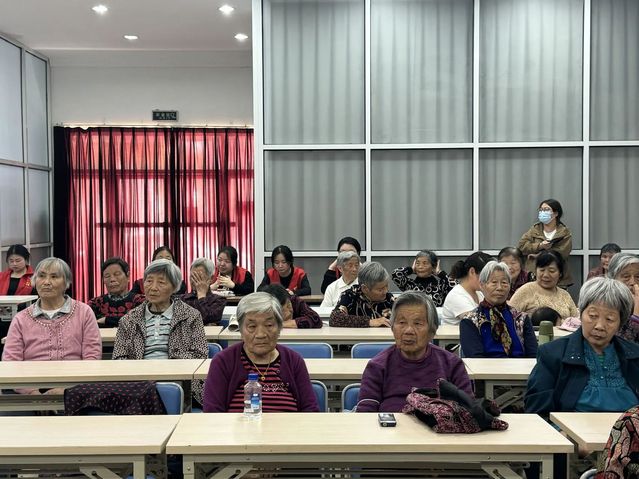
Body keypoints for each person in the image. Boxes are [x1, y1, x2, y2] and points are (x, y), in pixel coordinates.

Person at [525, 277, 639, 415]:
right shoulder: (552, 354)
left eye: (610, 319)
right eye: (593, 315)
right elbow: (537, 409)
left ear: (621, 322)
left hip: (628, 429)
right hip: (568, 429)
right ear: (581, 314)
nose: (599, 326)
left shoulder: (635, 355)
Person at [202, 292, 319, 412]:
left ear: (279, 328)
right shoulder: (223, 361)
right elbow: (212, 413)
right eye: (252, 327)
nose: (260, 334)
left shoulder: (293, 361)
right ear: (240, 329)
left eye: (269, 325)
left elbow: (310, 410)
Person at [356, 292, 473, 412]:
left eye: (417, 324)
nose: (408, 330)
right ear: (392, 327)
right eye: (402, 323)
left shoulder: (452, 365)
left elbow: (469, 412)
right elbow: (365, 414)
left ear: (432, 331)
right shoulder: (377, 366)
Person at [113, 259, 207, 404]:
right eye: (149, 281)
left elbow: (200, 355)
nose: (153, 288)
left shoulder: (191, 316)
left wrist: (167, 364)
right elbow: (118, 359)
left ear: (174, 287)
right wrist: (143, 371)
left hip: (180, 382)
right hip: (138, 382)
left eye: (161, 282)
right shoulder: (129, 320)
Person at [2, 257, 102, 394]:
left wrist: (67, 391)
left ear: (66, 283)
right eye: (41, 276)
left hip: (74, 389)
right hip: (30, 389)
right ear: (34, 281)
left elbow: (92, 358)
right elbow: (10, 363)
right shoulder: (21, 319)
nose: (46, 282)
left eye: (54, 277)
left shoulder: (84, 312)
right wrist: (31, 392)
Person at [459, 261, 538, 358]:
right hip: (485, 367)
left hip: (521, 367)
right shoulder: (470, 321)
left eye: (504, 283)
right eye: (494, 282)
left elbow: (533, 355)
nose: (500, 288)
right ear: (482, 285)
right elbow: (475, 358)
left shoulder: (521, 318)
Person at [518, 198, 573, 288]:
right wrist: (539, 246)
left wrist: (538, 255)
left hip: (558, 279)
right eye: (541, 210)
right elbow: (522, 246)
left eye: (546, 209)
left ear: (555, 213)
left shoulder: (564, 232)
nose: (543, 212)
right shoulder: (535, 229)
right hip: (535, 276)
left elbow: (563, 252)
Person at [509, 251, 578, 322]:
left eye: (551, 271)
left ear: (560, 273)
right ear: (536, 271)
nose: (546, 275)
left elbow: (576, 320)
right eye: (542, 270)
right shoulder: (526, 290)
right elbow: (509, 317)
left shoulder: (565, 295)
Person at [329, 261, 395, 328]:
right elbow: (334, 319)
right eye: (380, 290)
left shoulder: (389, 298)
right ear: (365, 288)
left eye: (386, 286)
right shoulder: (350, 296)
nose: (385, 291)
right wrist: (369, 322)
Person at [87, 257, 145, 328]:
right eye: (107, 276)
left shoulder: (140, 301)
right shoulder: (95, 303)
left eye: (117, 274)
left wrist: (107, 320)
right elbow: (86, 324)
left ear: (128, 276)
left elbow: (142, 322)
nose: (112, 279)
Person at [440, 252, 493, 325]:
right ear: (472, 272)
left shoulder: (479, 293)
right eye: (485, 276)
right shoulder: (457, 296)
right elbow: (477, 321)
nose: (488, 281)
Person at [391, 250, 455, 307]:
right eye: (417, 263)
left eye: (425, 264)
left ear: (433, 266)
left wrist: (440, 273)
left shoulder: (440, 285)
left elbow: (455, 286)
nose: (420, 267)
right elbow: (395, 274)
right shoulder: (410, 285)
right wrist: (411, 270)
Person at [180, 258, 226, 325]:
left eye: (198, 277)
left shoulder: (219, 300)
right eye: (192, 276)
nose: (194, 280)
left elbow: (207, 318)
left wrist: (201, 295)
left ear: (211, 279)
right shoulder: (182, 299)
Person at [606, 253, 639, 342]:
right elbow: (621, 345)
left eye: (638, 277)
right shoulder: (606, 304)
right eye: (626, 277)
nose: (632, 282)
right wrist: (636, 315)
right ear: (612, 279)